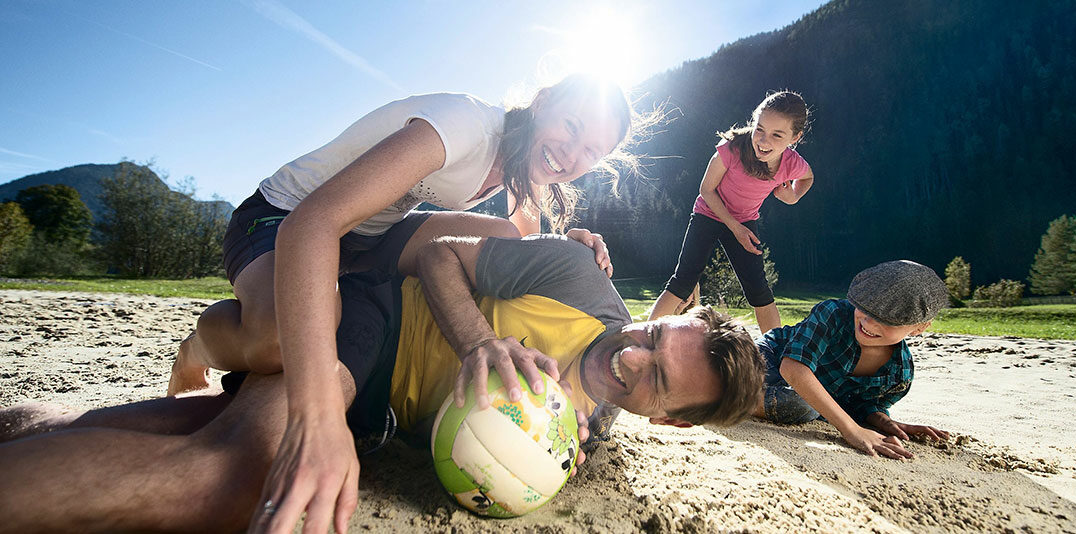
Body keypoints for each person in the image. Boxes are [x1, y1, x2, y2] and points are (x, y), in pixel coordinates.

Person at [0, 213, 764, 533]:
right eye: (654, 334)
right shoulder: (574, 279)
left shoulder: (590, 431)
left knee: (178, 425)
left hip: (381, 418)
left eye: (657, 380)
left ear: (668, 419)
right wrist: (475, 343)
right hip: (375, 323)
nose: (632, 357)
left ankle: (27, 431)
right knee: (239, 472)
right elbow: (435, 254)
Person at [164, 74, 642, 530]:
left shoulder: (523, 166)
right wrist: (320, 419)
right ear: (542, 102)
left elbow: (524, 247)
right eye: (571, 127)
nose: (572, 153)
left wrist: (568, 245)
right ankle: (202, 346)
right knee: (278, 344)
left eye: (591, 151)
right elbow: (314, 222)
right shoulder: (465, 126)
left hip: (367, 242)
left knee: (503, 233)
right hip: (285, 216)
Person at [648, 91, 814, 333]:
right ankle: (645, 337)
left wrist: (793, 196)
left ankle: (775, 350)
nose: (764, 141)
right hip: (708, 213)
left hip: (745, 221)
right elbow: (706, 190)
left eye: (777, 135)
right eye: (760, 129)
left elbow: (808, 177)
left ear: (795, 138)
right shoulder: (732, 149)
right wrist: (735, 228)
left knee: (759, 290)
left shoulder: (792, 163)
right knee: (683, 281)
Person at [754, 260, 951, 459]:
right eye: (864, 307)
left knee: (801, 406)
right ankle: (734, 397)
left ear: (919, 328)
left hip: (801, 399)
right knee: (802, 404)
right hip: (769, 357)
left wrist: (882, 421)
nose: (869, 322)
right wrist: (852, 430)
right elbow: (793, 369)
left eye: (886, 319)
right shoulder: (833, 313)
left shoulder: (899, 374)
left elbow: (861, 404)